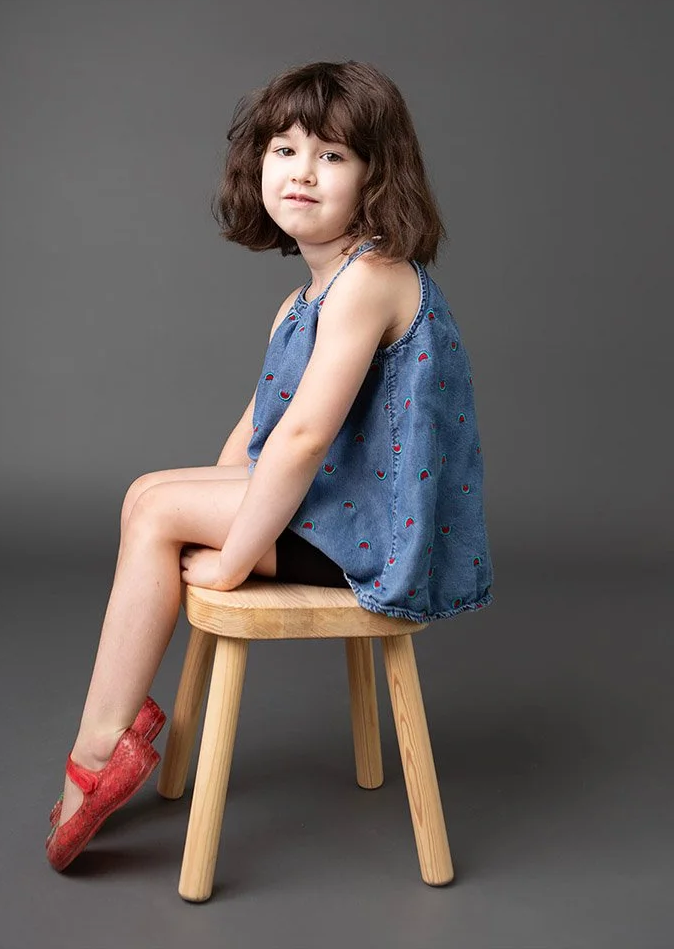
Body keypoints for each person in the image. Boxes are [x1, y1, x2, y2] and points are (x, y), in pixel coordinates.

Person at [45, 59, 495, 871]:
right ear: (258, 166)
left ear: (376, 176)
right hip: (331, 513)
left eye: (332, 155)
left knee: (156, 508)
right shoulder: (302, 302)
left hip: (376, 538)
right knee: (150, 495)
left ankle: (101, 744)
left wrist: (233, 555)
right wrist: (214, 506)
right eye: (285, 150)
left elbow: (304, 440)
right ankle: (113, 728)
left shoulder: (372, 279)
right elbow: (257, 434)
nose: (302, 172)